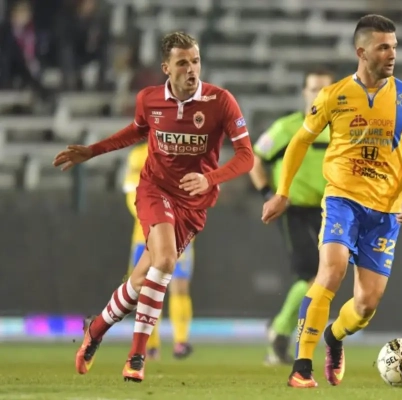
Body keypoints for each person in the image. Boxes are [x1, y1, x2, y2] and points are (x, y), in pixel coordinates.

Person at [53, 31, 254, 383]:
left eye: (195, 61)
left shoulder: (220, 101)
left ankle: (95, 330)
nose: (191, 69)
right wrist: (93, 150)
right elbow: (136, 131)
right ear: (166, 68)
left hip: (193, 203)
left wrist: (211, 178)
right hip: (155, 189)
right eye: (182, 63)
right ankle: (137, 356)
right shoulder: (149, 99)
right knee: (165, 262)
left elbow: (246, 156)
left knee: (139, 280)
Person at [262, 14, 402, 388]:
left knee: (365, 304)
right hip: (342, 200)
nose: (392, 54)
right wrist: (282, 192)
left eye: (394, 47)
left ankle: (334, 336)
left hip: (385, 212)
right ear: (362, 51)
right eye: (383, 47)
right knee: (331, 271)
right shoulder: (334, 95)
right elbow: (299, 142)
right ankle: (301, 366)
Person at [249, 68, 334, 365]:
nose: (318, 95)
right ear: (304, 93)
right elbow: (254, 159)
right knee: (310, 273)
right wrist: (268, 195)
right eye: (314, 89)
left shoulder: (341, 130)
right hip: (294, 209)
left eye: (325, 90)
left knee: (325, 275)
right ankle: (281, 329)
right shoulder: (287, 128)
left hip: (329, 211)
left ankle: (279, 331)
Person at [123, 142, 195, 361]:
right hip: (145, 235)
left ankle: (181, 341)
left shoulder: (185, 152)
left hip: (179, 231)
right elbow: (132, 194)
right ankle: (151, 345)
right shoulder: (138, 155)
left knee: (179, 286)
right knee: (147, 289)